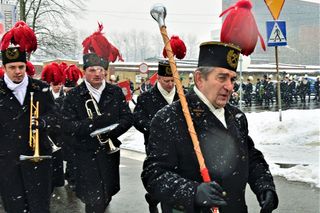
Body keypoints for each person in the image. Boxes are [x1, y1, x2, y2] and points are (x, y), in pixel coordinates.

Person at [141, 41, 278, 213]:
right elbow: (154, 175)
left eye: (232, 79)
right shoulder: (170, 118)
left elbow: (250, 157)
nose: (229, 86)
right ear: (199, 78)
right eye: (222, 77)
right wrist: (193, 192)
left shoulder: (236, 116)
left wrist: (264, 185)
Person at [61, 24, 133, 213]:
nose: (97, 74)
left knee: (106, 196)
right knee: (94, 203)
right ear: (85, 71)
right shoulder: (75, 95)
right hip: (85, 155)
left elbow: (127, 117)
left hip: (109, 154)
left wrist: (112, 131)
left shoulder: (115, 92)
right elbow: (68, 125)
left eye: (101, 70)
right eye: (92, 70)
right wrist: (93, 125)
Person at [0, 21, 59, 213]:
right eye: (13, 67)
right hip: (8, 161)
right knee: (14, 208)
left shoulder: (40, 88)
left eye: (21, 67)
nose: (18, 72)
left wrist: (43, 122)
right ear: (5, 67)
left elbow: (56, 116)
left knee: (39, 207)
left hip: (38, 159)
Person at [134, 60, 180, 213]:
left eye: (173, 80)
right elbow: (138, 119)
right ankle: (153, 197)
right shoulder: (146, 98)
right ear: (159, 78)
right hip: (155, 147)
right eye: (167, 80)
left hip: (179, 147)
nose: (170, 84)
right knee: (157, 176)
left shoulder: (183, 96)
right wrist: (154, 128)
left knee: (175, 180)